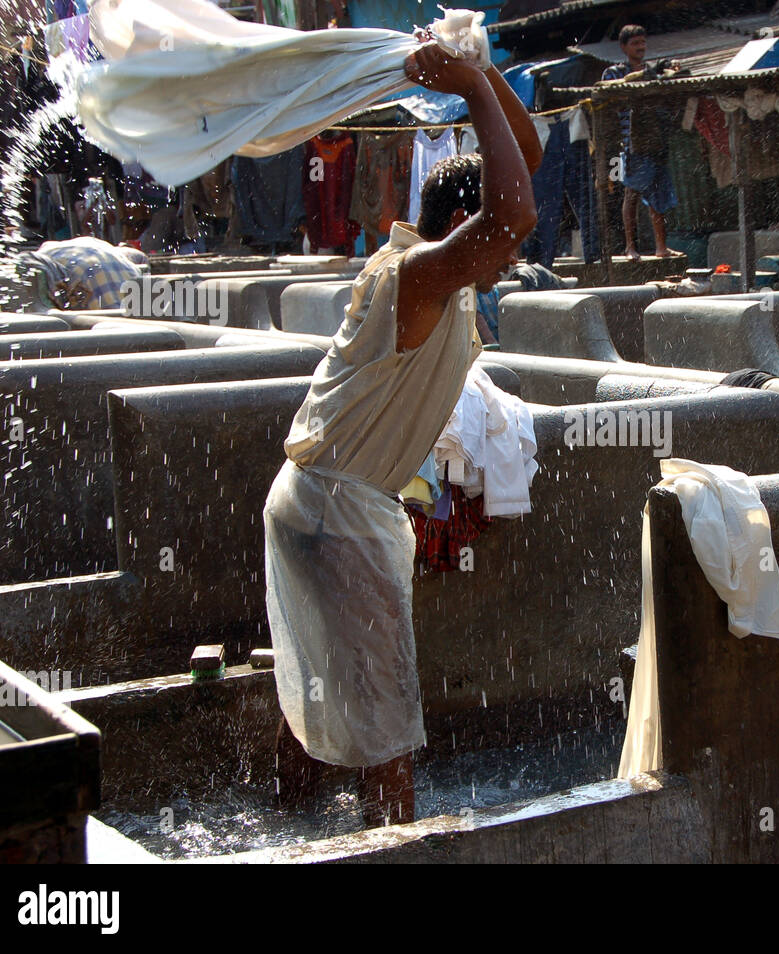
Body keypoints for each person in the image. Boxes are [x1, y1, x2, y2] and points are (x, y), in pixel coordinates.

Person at [263, 41, 541, 827]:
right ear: (462, 224)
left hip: (318, 500)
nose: (513, 255)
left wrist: (482, 79)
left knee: (317, 680)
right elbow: (512, 208)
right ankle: (399, 842)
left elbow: (525, 164)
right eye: (501, 245)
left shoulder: (429, 281)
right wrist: (469, 88)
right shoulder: (415, 276)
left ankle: (286, 828)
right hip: (337, 509)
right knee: (386, 716)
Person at [599, 25, 678, 258]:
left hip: (655, 141)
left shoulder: (653, 70)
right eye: (635, 43)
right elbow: (612, 99)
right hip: (629, 144)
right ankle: (630, 247)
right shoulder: (613, 73)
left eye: (643, 42)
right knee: (631, 194)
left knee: (657, 196)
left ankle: (661, 248)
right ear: (623, 47)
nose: (641, 47)